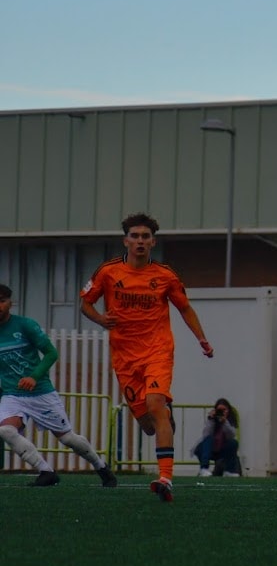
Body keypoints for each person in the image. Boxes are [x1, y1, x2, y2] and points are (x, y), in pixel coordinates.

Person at [80, 213, 214, 502]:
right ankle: (165, 415)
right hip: (124, 357)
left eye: (145, 237)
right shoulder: (107, 272)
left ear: (153, 241)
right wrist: (101, 320)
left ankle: (165, 478)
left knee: (155, 403)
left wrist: (202, 339)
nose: (140, 241)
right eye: (135, 236)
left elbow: (185, 309)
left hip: (157, 350)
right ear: (125, 240)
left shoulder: (165, 276)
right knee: (148, 424)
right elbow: (85, 303)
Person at [0, 284, 118, 487]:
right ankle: (45, 471)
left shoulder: (25, 325)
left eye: (2, 301)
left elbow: (51, 353)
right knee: (5, 431)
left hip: (41, 393)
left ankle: (101, 467)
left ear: (10, 303)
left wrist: (34, 377)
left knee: (67, 438)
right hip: (12, 394)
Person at [193, 398, 241, 477]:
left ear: (228, 410)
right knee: (209, 439)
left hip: (222, 450)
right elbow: (206, 435)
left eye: (224, 409)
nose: (221, 412)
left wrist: (225, 422)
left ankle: (229, 470)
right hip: (207, 449)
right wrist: (211, 420)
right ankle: (204, 468)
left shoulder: (229, 421)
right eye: (219, 410)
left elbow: (231, 435)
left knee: (233, 443)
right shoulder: (211, 420)